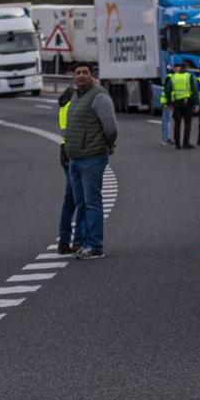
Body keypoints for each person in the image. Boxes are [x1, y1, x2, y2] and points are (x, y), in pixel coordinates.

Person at [63, 62, 117, 259]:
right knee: (81, 203)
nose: (81, 75)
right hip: (75, 158)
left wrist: (108, 144)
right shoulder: (77, 95)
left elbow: (111, 127)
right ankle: (84, 242)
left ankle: (95, 246)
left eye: (85, 72)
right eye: (78, 73)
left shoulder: (99, 96)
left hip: (92, 157)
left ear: (92, 75)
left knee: (92, 202)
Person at [55, 82, 78, 254]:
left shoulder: (64, 105)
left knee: (70, 199)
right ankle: (77, 240)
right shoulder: (73, 106)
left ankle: (64, 240)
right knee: (79, 198)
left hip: (64, 150)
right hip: (73, 150)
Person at [165, 63, 197, 150]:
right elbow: (194, 90)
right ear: (186, 68)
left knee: (177, 124)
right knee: (187, 124)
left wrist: (169, 103)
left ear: (179, 69)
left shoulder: (174, 77)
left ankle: (177, 144)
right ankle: (185, 143)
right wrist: (196, 103)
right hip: (187, 103)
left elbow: (168, 91)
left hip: (177, 103)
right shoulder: (189, 76)